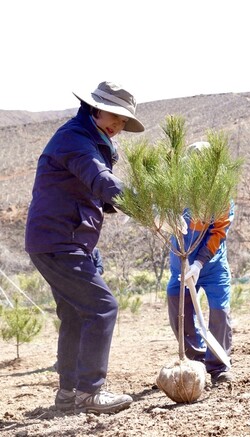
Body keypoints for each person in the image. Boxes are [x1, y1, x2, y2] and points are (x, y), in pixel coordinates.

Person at [25, 82, 144, 414]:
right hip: (59, 241)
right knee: (103, 307)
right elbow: (101, 181)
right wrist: (147, 207)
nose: (118, 126)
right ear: (95, 108)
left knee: (76, 315)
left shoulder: (90, 138)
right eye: (115, 117)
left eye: (124, 122)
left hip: (65, 240)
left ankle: (67, 395)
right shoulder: (76, 140)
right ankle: (90, 392)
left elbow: (91, 195)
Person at [166, 142, 235, 385]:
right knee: (177, 306)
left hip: (212, 265)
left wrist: (199, 264)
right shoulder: (178, 191)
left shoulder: (221, 194)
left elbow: (218, 233)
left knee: (219, 311)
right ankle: (196, 361)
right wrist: (164, 217)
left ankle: (218, 365)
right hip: (180, 266)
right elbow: (159, 209)